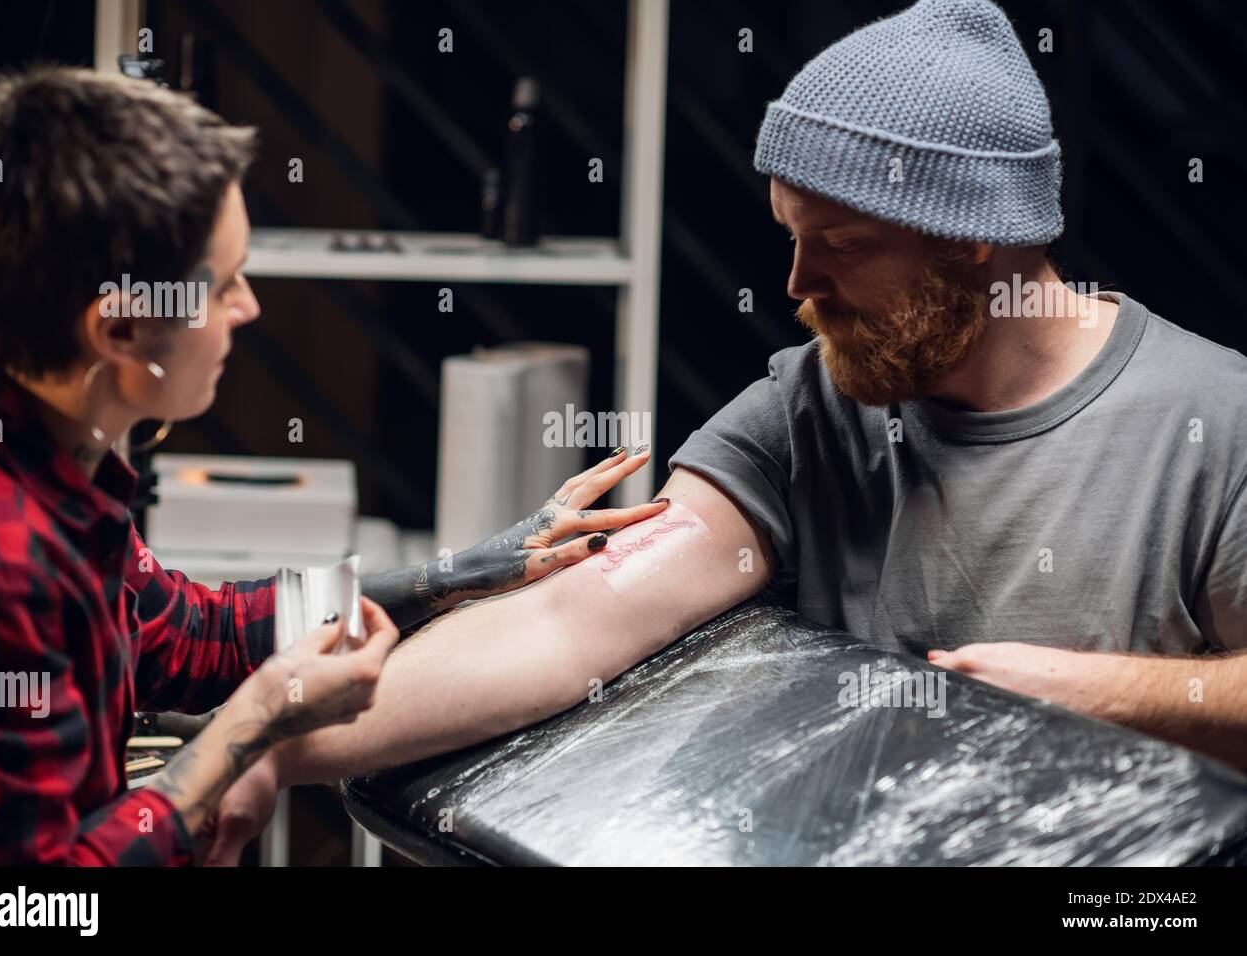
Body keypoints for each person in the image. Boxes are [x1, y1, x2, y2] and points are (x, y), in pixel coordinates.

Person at [204, 0, 1247, 862]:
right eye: (790, 238)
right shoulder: (813, 406)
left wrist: (1089, 694)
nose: (799, 285)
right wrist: (269, 745)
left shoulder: (1216, 419)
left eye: (839, 243)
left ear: (978, 236)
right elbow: (574, 620)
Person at [0, 65, 664, 865]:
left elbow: (194, 634)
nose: (248, 306)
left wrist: (456, 575)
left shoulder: (44, 454)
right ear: (118, 333)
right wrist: (244, 733)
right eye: (223, 286)